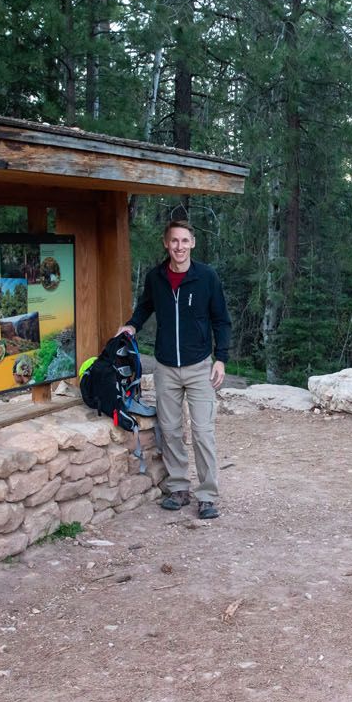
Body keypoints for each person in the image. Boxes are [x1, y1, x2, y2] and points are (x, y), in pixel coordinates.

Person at [116, 220, 231, 519]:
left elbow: (221, 320)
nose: (179, 246)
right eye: (174, 241)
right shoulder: (157, 277)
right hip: (166, 366)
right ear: (166, 244)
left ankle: (207, 495)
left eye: (184, 241)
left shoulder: (206, 277)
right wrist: (132, 324)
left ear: (192, 243)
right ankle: (179, 487)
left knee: (203, 432)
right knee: (170, 430)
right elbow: (145, 307)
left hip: (199, 367)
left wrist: (221, 358)